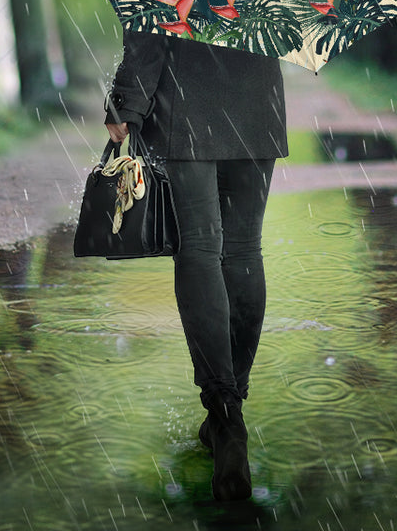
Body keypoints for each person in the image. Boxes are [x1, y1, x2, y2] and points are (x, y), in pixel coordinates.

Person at [104, 28, 287, 501]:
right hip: (256, 97)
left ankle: (225, 411)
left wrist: (128, 99)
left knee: (200, 249)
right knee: (245, 248)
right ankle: (230, 408)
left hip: (186, 101)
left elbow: (150, 10)